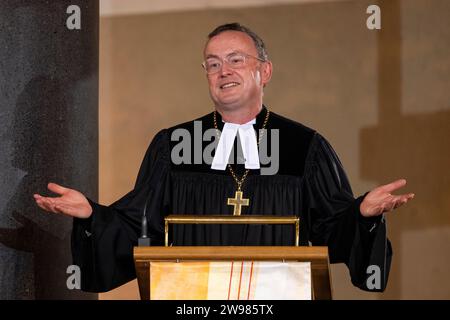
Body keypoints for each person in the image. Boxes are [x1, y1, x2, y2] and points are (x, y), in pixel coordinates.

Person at [34, 23, 414, 293]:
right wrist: (92, 216)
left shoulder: (305, 147)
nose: (223, 71)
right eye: (212, 63)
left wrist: (362, 213)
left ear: (264, 71)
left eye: (235, 60)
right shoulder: (174, 145)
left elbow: (332, 226)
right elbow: (140, 225)